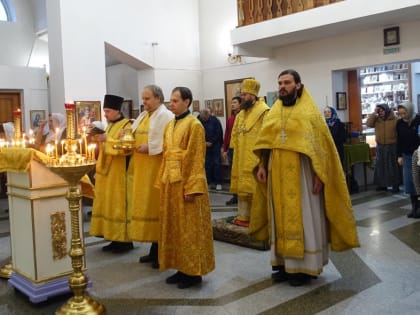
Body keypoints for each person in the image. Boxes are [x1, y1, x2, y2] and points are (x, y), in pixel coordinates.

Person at [251, 69, 359, 287]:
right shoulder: (274, 111)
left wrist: (320, 174)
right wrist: (262, 164)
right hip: (276, 173)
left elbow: (322, 149)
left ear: (298, 85)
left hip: (302, 173)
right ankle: (282, 264)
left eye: (287, 82)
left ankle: (304, 268)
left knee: (305, 217)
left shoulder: (310, 112)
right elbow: (266, 143)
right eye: (280, 82)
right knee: (278, 218)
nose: (283, 86)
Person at [158, 86, 215, 289]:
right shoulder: (169, 125)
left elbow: (196, 159)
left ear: (187, 102)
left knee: (190, 229)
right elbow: (166, 154)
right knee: (176, 227)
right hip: (171, 183)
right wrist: (162, 181)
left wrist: (192, 187)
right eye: (170, 101)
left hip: (187, 185)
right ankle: (180, 268)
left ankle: (193, 273)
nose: (171, 104)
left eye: (175, 101)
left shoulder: (195, 125)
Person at [127, 85, 173, 268]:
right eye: (143, 98)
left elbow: (170, 142)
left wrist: (151, 148)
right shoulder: (144, 115)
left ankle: (161, 252)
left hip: (156, 169)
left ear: (158, 98)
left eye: (147, 98)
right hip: (142, 170)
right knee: (146, 208)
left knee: (156, 209)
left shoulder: (166, 116)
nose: (144, 102)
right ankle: (153, 250)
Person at [89, 94, 134, 253]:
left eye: (108, 111)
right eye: (105, 111)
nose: (106, 114)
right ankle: (114, 238)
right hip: (106, 172)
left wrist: (106, 139)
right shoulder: (109, 126)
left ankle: (124, 241)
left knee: (118, 206)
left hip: (119, 172)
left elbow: (126, 149)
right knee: (108, 204)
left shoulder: (127, 125)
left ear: (117, 110)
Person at [229, 78, 269, 227]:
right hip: (240, 156)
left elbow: (267, 136)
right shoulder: (240, 114)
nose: (243, 97)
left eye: (245, 95)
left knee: (254, 187)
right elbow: (235, 134)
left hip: (255, 157)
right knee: (242, 187)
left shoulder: (264, 111)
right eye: (242, 94)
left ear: (253, 95)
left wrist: (263, 159)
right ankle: (243, 216)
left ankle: (257, 218)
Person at [366, 103, 400, 192]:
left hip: (392, 146)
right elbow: (368, 124)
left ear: (386, 110)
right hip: (380, 146)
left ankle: (395, 185)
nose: (380, 113)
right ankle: (382, 185)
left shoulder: (394, 119)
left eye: (382, 110)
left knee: (392, 166)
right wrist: (374, 113)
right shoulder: (377, 120)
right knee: (380, 166)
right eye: (379, 111)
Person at [396, 101, 420, 218]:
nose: (403, 116)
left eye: (404, 113)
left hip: (418, 155)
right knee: (409, 182)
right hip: (406, 155)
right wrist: (399, 155)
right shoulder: (400, 123)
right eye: (400, 114)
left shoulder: (418, 120)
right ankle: (414, 207)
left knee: (418, 181)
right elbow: (399, 140)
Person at [198, 108, 223, 191]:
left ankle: (218, 182)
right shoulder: (198, 119)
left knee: (216, 163)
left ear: (208, 115)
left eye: (205, 118)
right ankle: (208, 182)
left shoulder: (215, 121)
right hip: (204, 145)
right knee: (206, 164)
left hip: (215, 145)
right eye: (203, 118)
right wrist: (204, 142)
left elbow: (219, 133)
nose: (204, 120)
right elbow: (197, 133)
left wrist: (211, 142)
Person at [222, 96, 241, 205]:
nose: (232, 104)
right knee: (232, 173)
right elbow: (227, 134)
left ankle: (242, 195)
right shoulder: (231, 118)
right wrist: (224, 149)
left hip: (241, 149)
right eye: (232, 102)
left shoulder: (243, 117)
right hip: (231, 149)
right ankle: (235, 195)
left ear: (240, 104)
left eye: (235, 102)